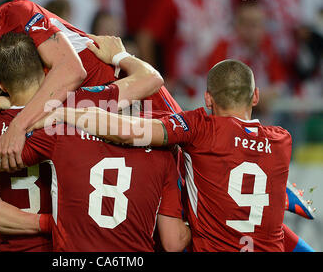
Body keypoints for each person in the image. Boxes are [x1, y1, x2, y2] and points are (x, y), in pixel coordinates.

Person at [0, 0, 182, 235]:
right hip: (85, 123)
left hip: (137, 105)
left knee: (176, 219)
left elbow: (72, 71)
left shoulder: (14, 15)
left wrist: (17, 126)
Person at [49, 60, 304, 252]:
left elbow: (128, 133)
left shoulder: (200, 127)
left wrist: (63, 113)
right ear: (256, 96)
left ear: (208, 99)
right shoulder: (282, 140)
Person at [0, 32, 190, 252]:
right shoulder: (79, 103)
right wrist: (119, 55)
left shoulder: (6, 129)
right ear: (47, 72)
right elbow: (151, 79)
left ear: (1, 82)